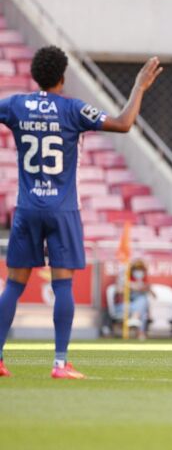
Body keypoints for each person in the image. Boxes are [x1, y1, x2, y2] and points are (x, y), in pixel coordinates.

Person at [0, 46, 162, 379]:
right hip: (62, 209)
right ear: (63, 76)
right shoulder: (73, 109)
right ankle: (60, 363)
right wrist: (138, 88)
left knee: (14, 286)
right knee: (63, 286)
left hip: (28, 207)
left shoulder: (15, 105)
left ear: (34, 75)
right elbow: (123, 123)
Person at [115, 259, 154, 340]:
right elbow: (118, 291)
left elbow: (154, 296)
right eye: (137, 270)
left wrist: (146, 288)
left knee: (143, 301)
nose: (139, 272)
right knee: (142, 308)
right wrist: (129, 286)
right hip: (124, 307)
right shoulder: (125, 280)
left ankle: (135, 318)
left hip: (137, 308)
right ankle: (140, 332)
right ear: (132, 271)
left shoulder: (144, 282)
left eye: (141, 270)